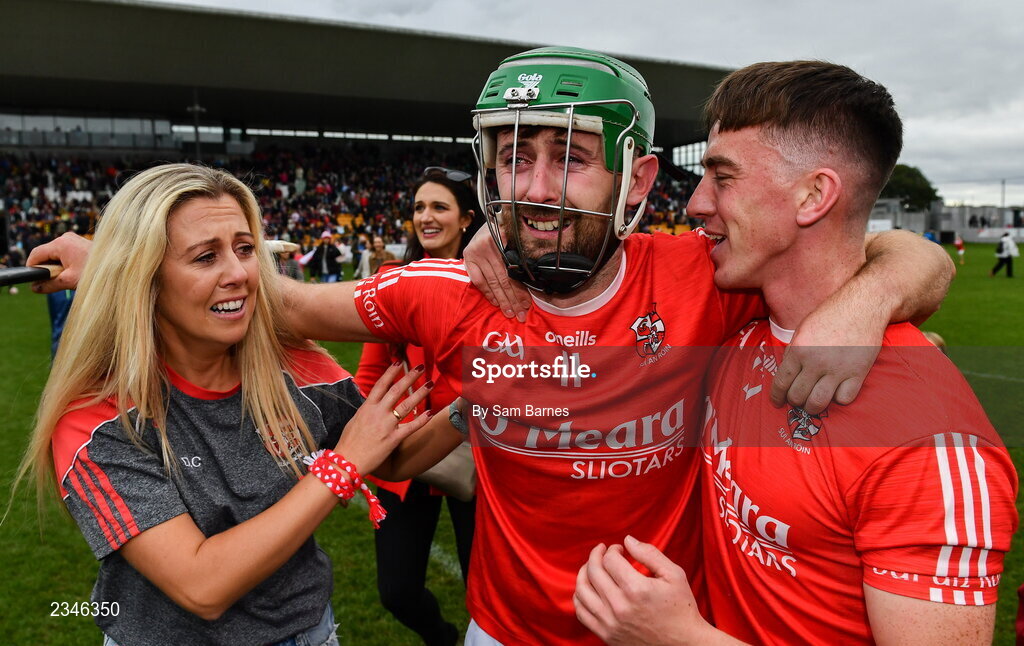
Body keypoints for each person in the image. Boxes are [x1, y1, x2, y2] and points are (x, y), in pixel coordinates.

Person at [28, 48, 955, 646]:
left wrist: (865, 301)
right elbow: (267, 295)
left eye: (568, 156)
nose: (535, 188)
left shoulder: (707, 280)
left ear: (635, 176)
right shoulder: (442, 290)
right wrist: (113, 253)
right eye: (513, 156)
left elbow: (898, 250)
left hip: (665, 628)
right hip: (501, 631)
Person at [573, 61, 1017, 646]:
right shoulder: (737, 323)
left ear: (814, 195)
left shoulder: (927, 443)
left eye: (722, 178)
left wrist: (679, 638)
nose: (696, 204)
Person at [12, 163, 435, 646]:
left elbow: (395, 456)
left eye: (245, 249)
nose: (239, 274)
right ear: (144, 278)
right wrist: (342, 466)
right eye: (205, 257)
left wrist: (477, 402)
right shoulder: (97, 420)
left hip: (310, 633)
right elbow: (202, 584)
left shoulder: (295, 367)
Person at [357, 166, 484, 646]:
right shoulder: (392, 279)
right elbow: (368, 376)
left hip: (476, 451)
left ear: (466, 218)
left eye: (439, 207)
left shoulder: (488, 282)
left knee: (485, 587)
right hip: (405, 456)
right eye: (418, 208)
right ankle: (443, 638)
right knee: (397, 590)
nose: (425, 217)